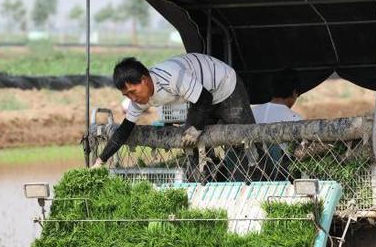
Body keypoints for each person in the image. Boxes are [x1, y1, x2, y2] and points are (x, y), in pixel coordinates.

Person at [92, 54, 255, 168]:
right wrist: (100, 161)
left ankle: (264, 179)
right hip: (200, 97)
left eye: (132, 92)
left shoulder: (172, 77)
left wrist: (196, 128)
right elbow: (125, 129)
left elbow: (205, 98)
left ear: (144, 80)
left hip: (224, 85)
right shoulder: (141, 98)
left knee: (246, 141)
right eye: (126, 95)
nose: (132, 99)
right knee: (194, 146)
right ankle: (211, 182)